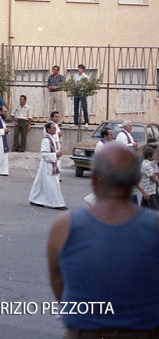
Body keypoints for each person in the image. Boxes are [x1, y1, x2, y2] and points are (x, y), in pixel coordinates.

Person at [46, 143, 159, 336]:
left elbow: (59, 284)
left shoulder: (64, 226)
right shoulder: (155, 226)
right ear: (136, 180)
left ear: (93, 179)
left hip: (85, 331)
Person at [29, 122, 66, 210]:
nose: (55, 129)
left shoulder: (52, 138)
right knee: (52, 183)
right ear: (48, 129)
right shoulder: (46, 140)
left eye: (55, 128)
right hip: (47, 165)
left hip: (52, 163)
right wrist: (55, 155)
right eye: (53, 128)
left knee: (41, 183)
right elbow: (44, 154)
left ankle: (36, 199)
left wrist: (57, 154)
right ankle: (56, 203)